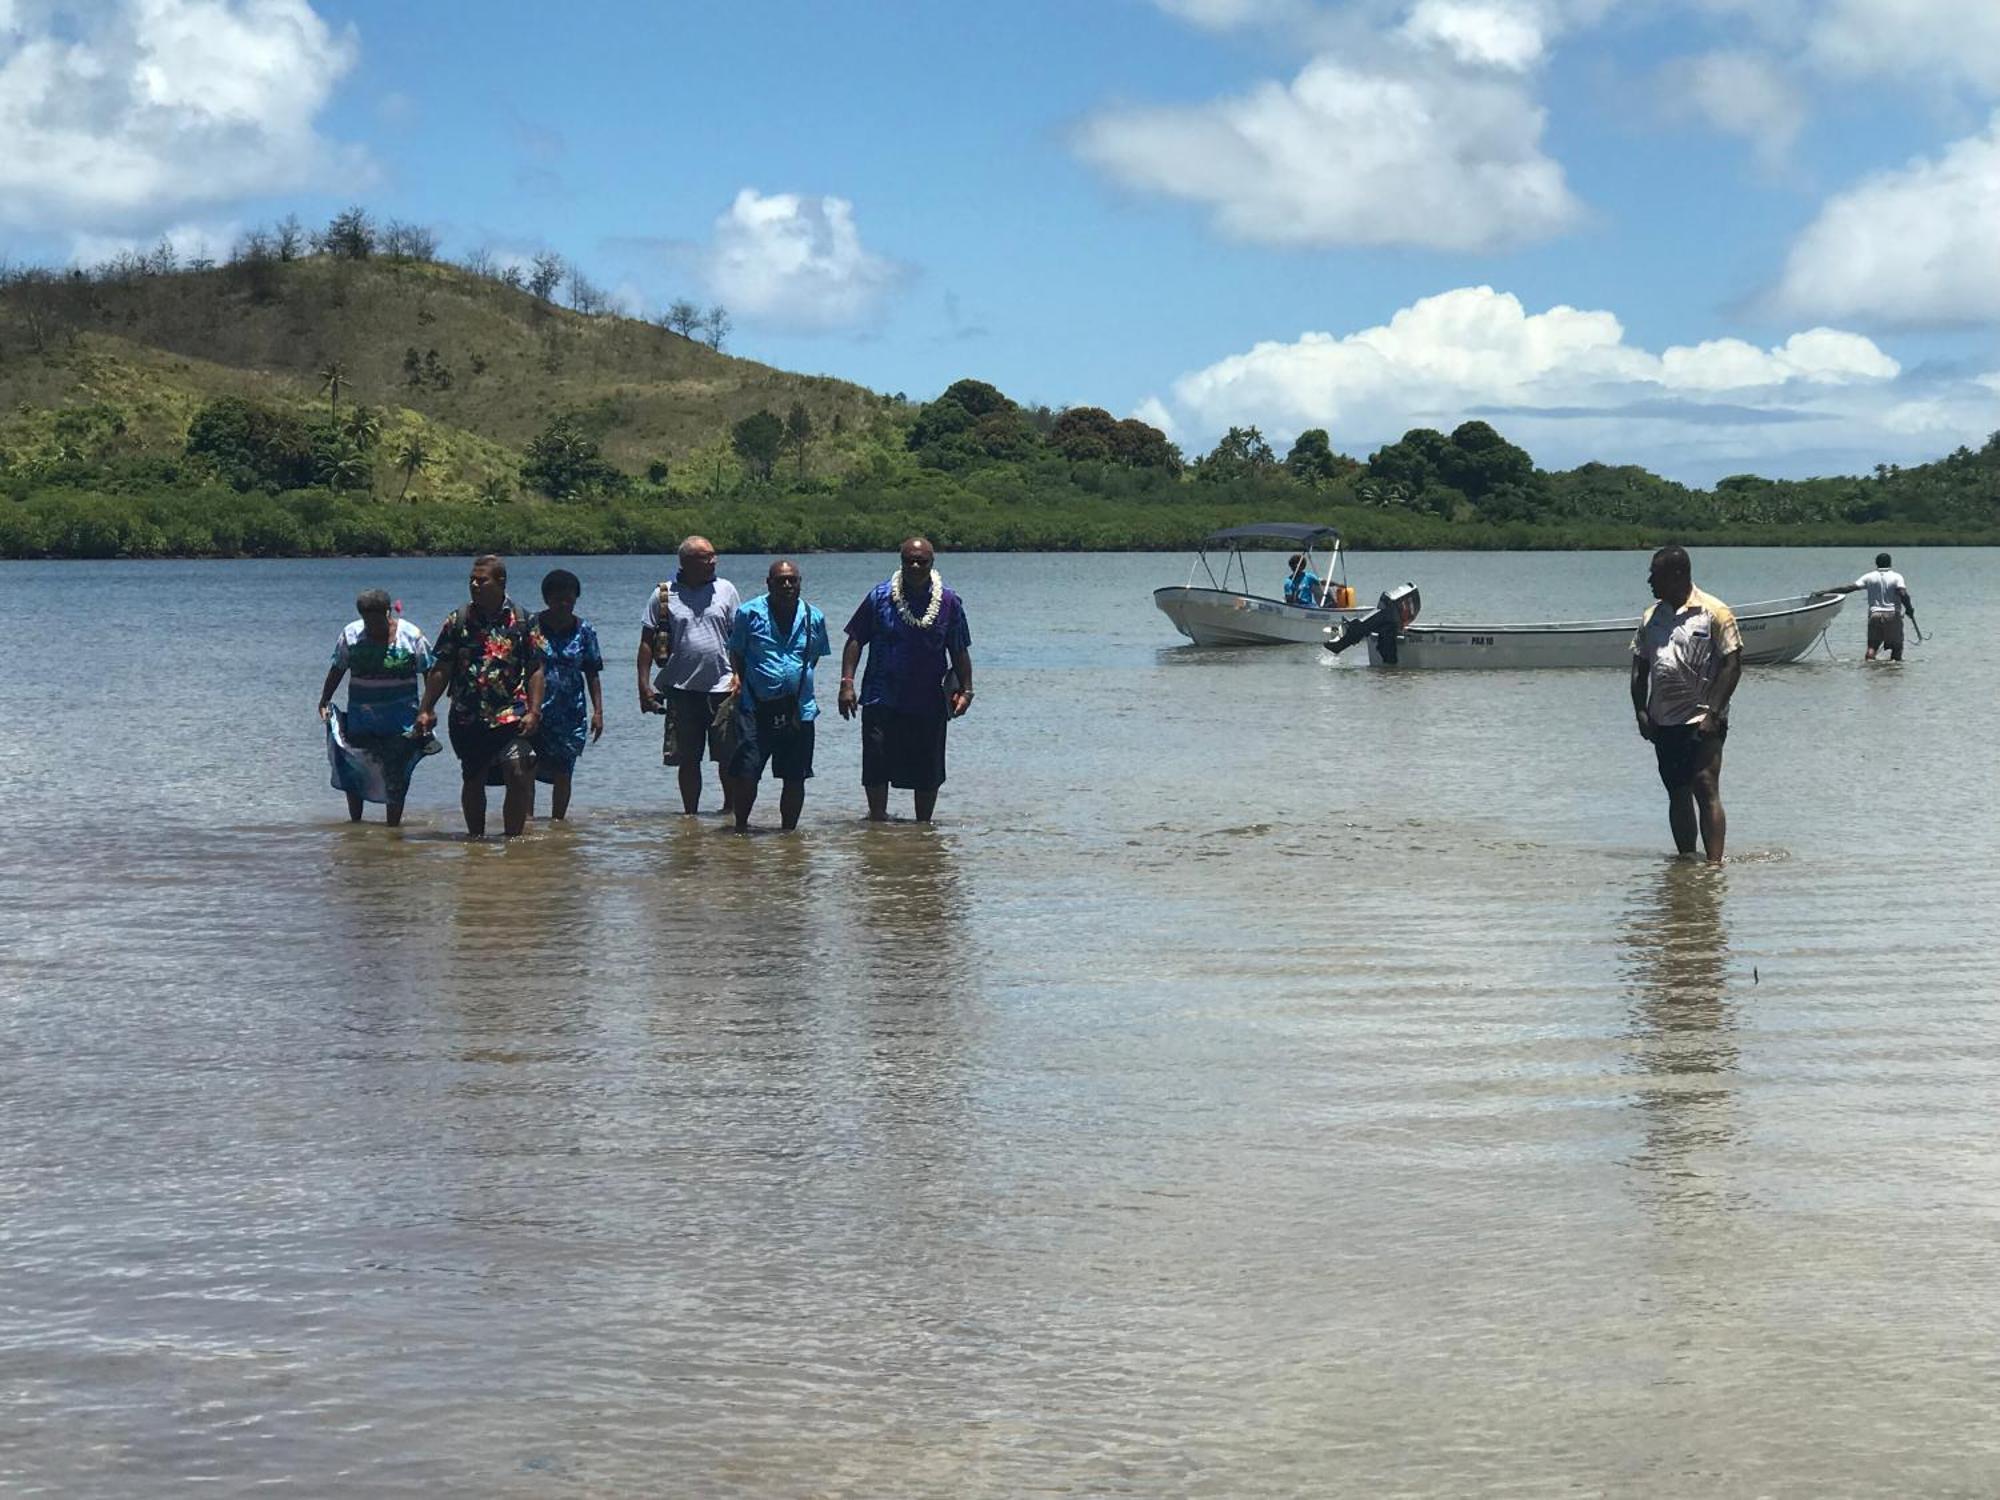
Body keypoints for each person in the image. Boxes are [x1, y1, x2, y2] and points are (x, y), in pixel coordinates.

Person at [837, 536, 974, 823]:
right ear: (900, 562)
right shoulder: (879, 597)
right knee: (876, 764)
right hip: (881, 697)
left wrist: (967, 689)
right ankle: (877, 820)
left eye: (921, 561)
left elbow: (959, 648)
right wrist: (847, 683)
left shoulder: (948, 601)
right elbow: (855, 640)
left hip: (928, 701)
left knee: (928, 770)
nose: (914, 565)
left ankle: (923, 830)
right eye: (909, 560)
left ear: (932, 563)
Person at [414, 555, 545, 838]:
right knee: (473, 778)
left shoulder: (524, 620)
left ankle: (513, 843)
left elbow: (535, 669)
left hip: (512, 712)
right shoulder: (458, 620)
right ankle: (476, 841)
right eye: (471, 580)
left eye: (481, 580)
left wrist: (534, 711)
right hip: (467, 714)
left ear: (500, 582)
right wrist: (426, 708)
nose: (474, 585)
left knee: (518, 772)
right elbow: (442, 668)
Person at [1630, 545, 1741, 864]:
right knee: (1677, 791)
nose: (1650, 581)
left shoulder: (1715, 612)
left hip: (1704, 717)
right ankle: (1687, 861)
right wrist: (1640, 711)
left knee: (1705, 785)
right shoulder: (1651, 617)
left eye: (1656, 574)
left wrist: (1714, 713)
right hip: (1663, 719)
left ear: (1677, 575)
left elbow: (1733, 665)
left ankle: (1714, 866)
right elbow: (1640, 667)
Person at [724, 559, 832, 832]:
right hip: (754, 708)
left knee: (795, 777)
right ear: (768, 583)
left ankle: (788, 836)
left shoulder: (813, 617)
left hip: (799, 709)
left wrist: (793, 680)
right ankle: (740, 829)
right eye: (780, 580)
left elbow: (813, 657)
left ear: (799, 583)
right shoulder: (748, 613)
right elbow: (736, 650)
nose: (787, 585)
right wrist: (737, 677)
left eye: (792, 580)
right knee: (747, 773)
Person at [637, 535, 739, 815]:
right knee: (688, 759)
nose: (713, 561)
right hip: (681, 689)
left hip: (723, 687)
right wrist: (643, 686)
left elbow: (738, 638)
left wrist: (742, 676)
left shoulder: (726, 590)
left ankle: (730, 812)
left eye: (714, 555)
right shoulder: (664, 594)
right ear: (687, 562)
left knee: (728, 757)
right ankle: (690, 815)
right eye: (706, 557)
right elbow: (647, 641)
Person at [318, 589, 435, 827]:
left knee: (396, 774)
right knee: (354, 768)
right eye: (366, 621)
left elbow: (430, 672)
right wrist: (324, 699)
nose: (371, 626)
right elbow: (338, 668)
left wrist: (427, 709)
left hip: (401, 721)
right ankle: (356, 824)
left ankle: (393, 830)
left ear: (388, 612)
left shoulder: (411, 636)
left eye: (376, 620)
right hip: (362, 718)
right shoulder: (351, 635)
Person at [530, 568, 604, 820]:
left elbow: (592, 672)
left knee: (564, 770)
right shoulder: (531, 627)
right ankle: (525, 819)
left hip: (571, 712)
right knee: (527, 766)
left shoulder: (585, 631)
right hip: (534, 710)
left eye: (569, 599)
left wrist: (598, 712)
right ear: (546, 599)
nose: (564, 604)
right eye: (558, 598)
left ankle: (557, 823)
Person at [1819, 552, 1917, 661]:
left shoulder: (1869, 577)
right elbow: (1903, 593)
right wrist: (1909, 609)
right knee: (1897, 647)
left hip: (1874, 615)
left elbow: (1849, 588)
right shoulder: (1897, 577)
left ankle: (1869, 669)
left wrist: (1827, 591)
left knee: (1872, 647)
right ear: (1890, 563)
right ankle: (1894, 671)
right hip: (1892, 615)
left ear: (1876, 563)